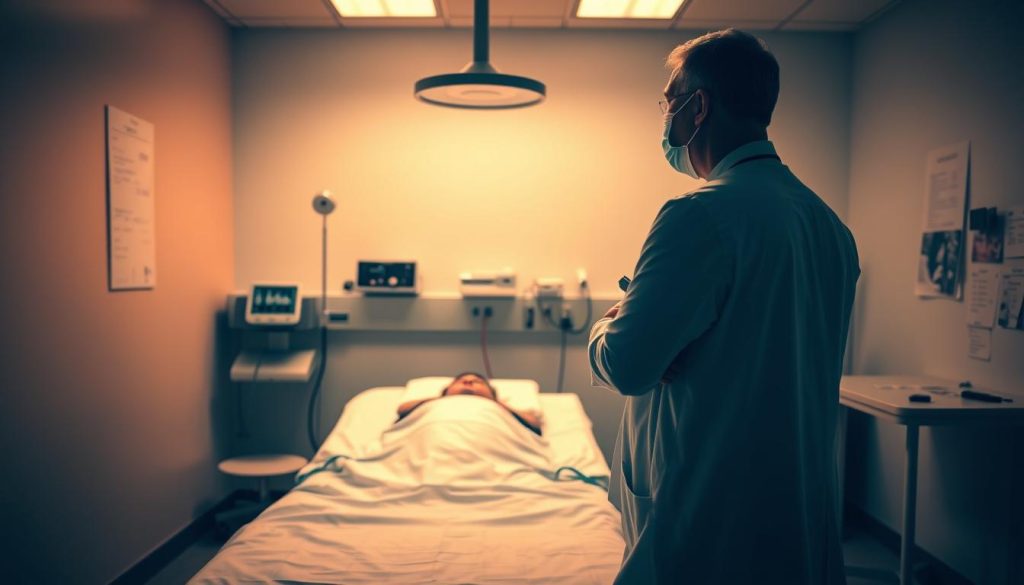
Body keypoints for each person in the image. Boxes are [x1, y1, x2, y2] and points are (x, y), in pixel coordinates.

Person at [588, 29, 860, 584]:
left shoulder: (698, 216)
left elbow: (626, 365)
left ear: (698, 106)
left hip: (708, 514)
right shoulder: (829, 226)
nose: (666, 118)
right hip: (794, 504)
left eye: (669, 102)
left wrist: (610, 321)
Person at [396, 372, 543, 435]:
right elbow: (402, 411)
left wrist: (497, 403)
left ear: (491, 394)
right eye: (461, 381)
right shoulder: (433, 404)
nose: (468, 382)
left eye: (477, 382)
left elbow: (534, 425)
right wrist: (440, 398)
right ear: (446, 391)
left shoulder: (497, 407)